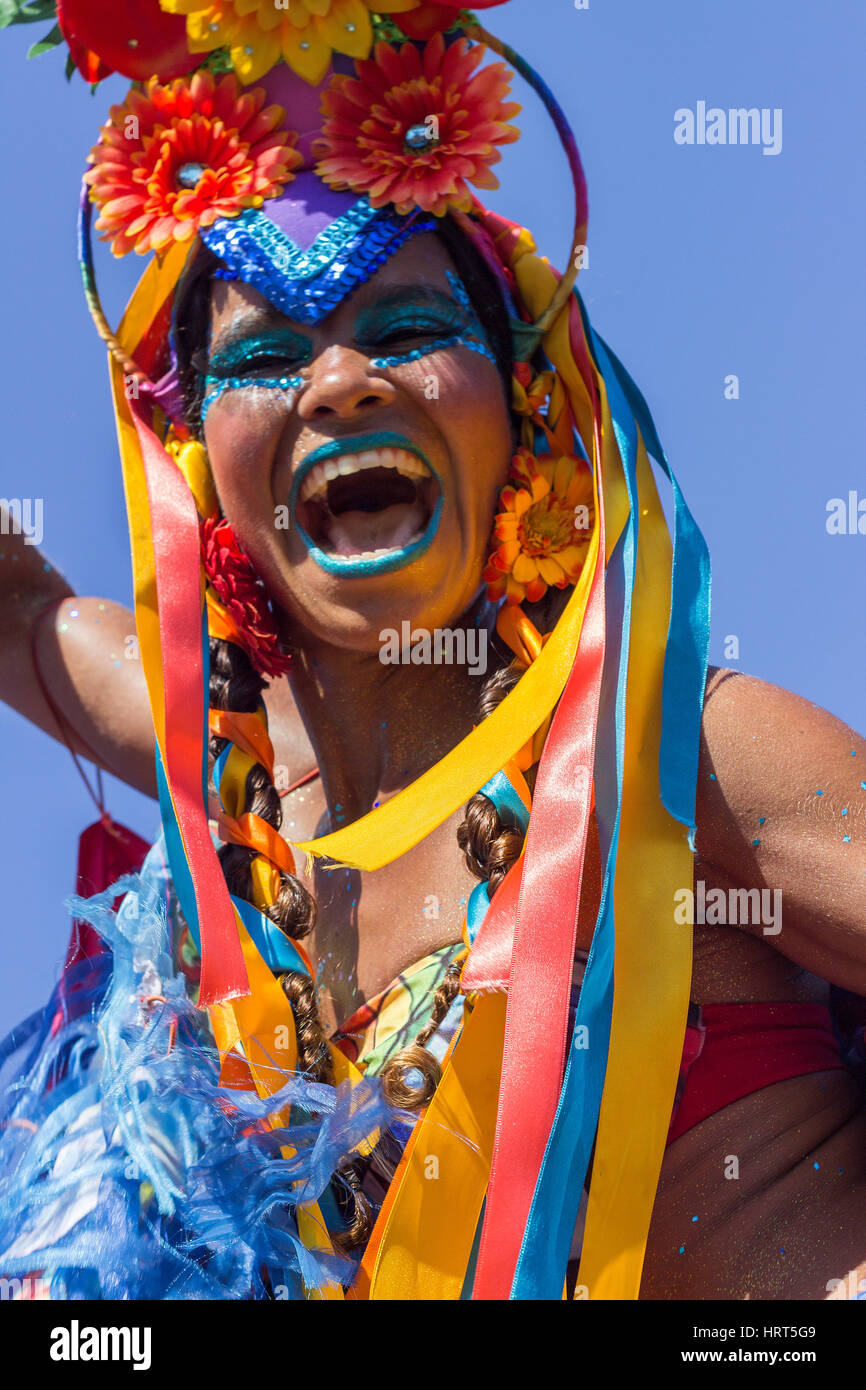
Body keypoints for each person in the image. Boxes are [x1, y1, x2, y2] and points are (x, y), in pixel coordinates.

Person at [1, 0, 864, 1302]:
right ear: (201, 473)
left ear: (521, 417)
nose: (340, 383)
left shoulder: (679, 748)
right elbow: (19, 617)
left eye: (407, 335)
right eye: (268, 357)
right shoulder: (225, 761)